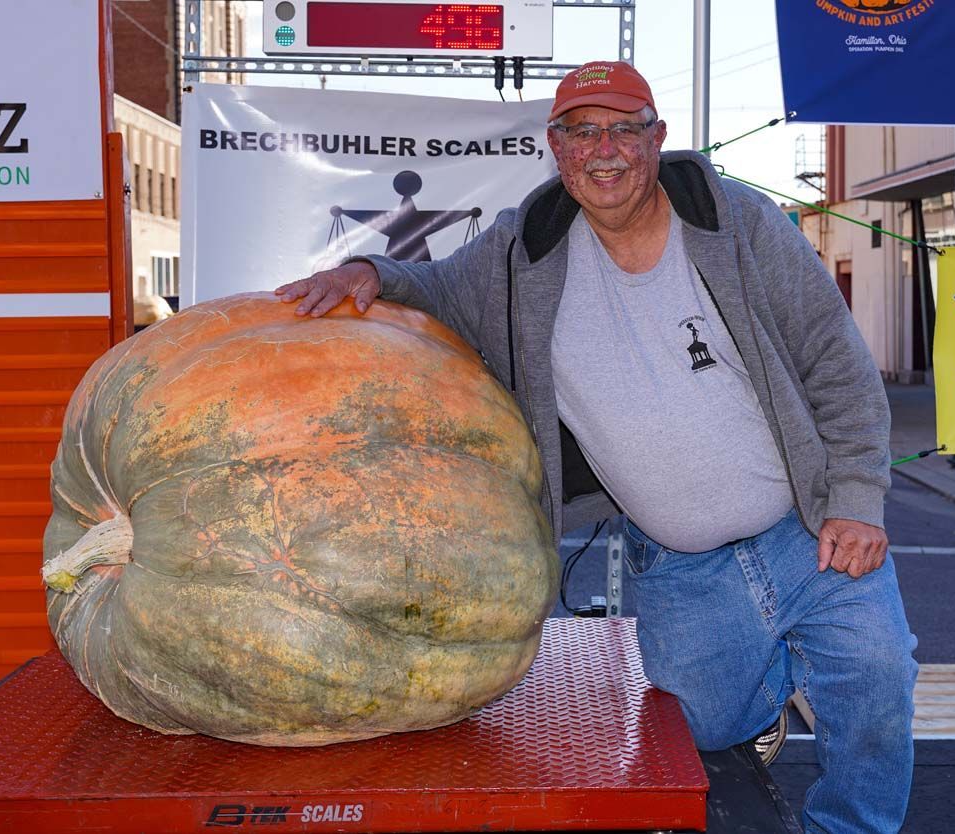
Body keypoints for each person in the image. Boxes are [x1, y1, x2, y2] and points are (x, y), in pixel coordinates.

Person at [276, 61, 917, 834]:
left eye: (623, 128)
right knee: (705, 729)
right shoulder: (525, 253)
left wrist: (855, 498)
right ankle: (769, 676)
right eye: (582, 132)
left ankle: (851, 825)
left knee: (876, 682)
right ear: (556, 146)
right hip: (681, 560)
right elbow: (439, 288)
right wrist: (366, 270)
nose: (603, 150)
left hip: (807, 529)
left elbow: (834, 361)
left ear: (658, 139)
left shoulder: (737, 222)